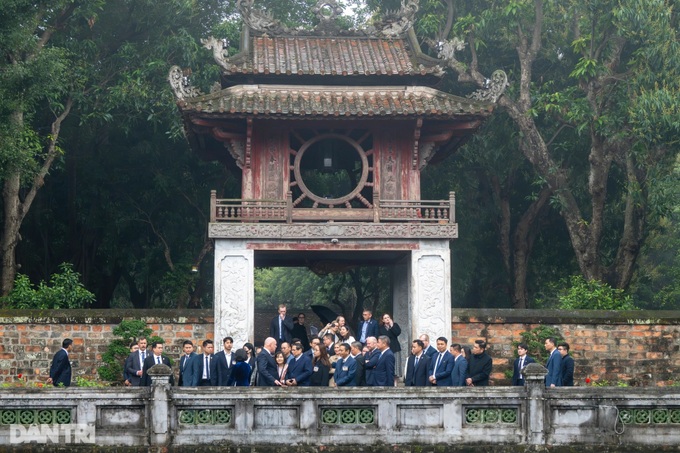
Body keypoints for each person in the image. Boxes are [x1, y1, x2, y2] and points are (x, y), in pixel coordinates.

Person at [378, 313, 401, 382]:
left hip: (395, 348)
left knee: (396, 369)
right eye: (385, 318)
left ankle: (396, 384)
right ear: (382, 320)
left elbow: (397, 333)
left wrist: (391, 326)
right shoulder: (381, 328)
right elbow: (384, 337)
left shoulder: (395, 325)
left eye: (388, 317)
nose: (387, 319)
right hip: (386, 349)